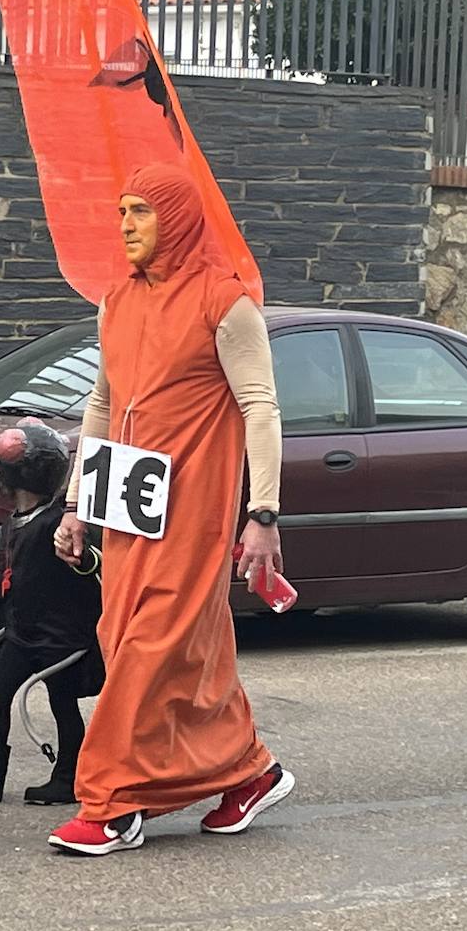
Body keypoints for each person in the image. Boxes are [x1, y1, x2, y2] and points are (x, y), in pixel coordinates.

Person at [49, 162, 294, 856]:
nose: (124, 224)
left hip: (195, 512)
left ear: (177, 219)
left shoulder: (225, 302)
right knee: (139, 641)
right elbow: (101, 402)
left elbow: (261, 408)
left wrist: (264, 514)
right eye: (121, 210)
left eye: (140, 212)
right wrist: (75, 507)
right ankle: (248, 769)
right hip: (126, 506)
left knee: (150, 649)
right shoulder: (116, 300)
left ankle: (112, 804)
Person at [0, 420, 104, 806]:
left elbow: (87, 564)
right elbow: (7, 572)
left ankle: (69, 777)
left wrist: (82, 555)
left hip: (60, 638)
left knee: (63, 702)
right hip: (23, 634)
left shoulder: (57, 525)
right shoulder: (14, 523)